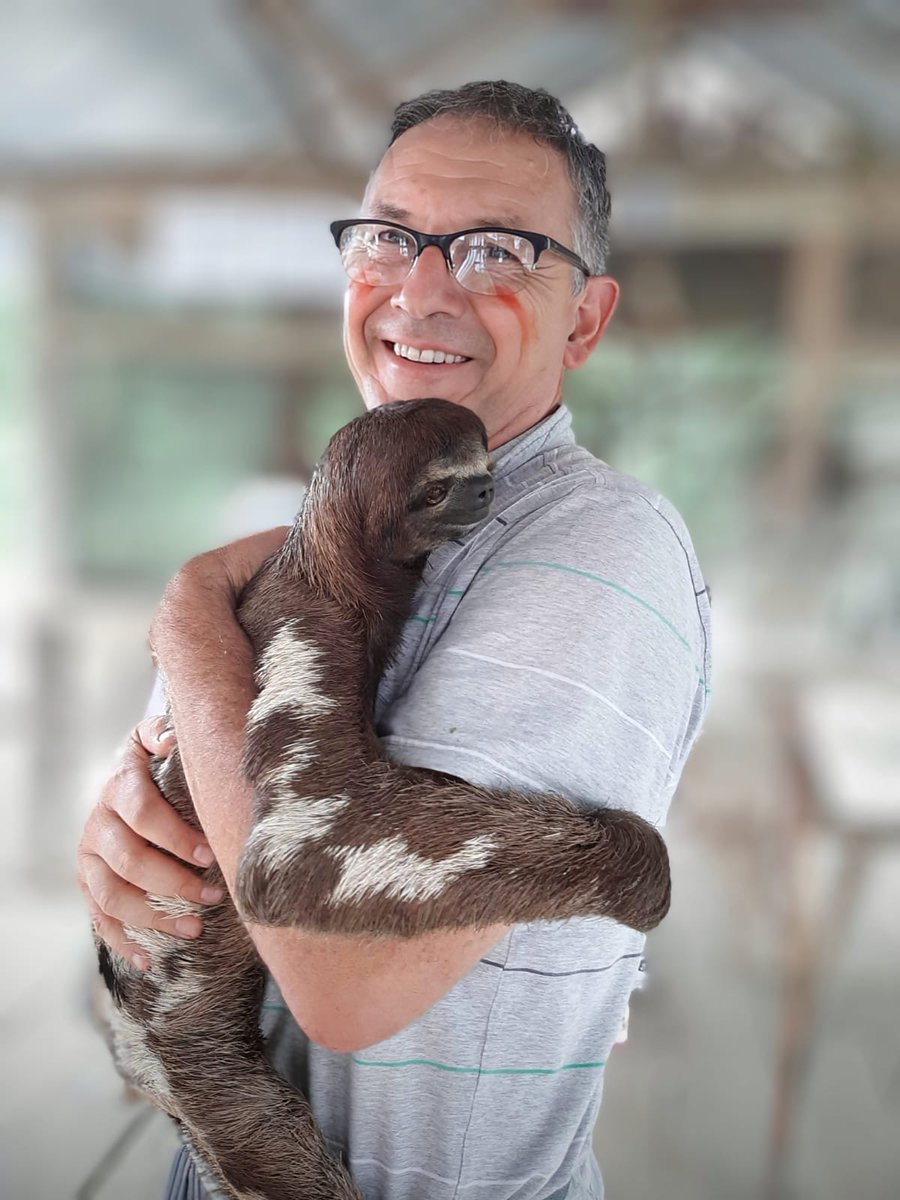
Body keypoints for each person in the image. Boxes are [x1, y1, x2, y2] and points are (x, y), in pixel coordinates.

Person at [77, 81, 712, 1200]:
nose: (422, 289)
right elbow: (232, 836)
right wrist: (129, 844)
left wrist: (186, 618)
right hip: (202, 1096)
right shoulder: (310, 550)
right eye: (390, 238)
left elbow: (339, 971)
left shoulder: (597, 542)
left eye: (498, 249)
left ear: (585, 318)